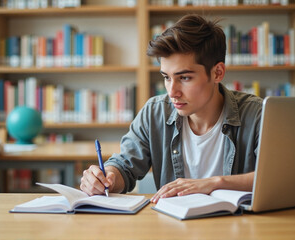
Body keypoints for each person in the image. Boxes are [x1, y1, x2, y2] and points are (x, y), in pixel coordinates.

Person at [80, 14, 263, 203]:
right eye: (166, 77)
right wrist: (106, 178)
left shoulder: (256, 114)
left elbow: (281, 176)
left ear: (217, 73)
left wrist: (215, 183)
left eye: (184, 78)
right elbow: (124, 167)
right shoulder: (154, 113)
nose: (172, 92)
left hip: (238, 228)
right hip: (174, 227)